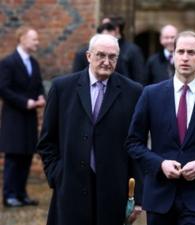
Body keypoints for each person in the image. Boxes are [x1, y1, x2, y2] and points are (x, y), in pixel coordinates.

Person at [126, 31, 195, 225]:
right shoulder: (151, 94)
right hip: (159, 196)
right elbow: (134, 143)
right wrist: (160, 164)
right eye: (181, 52)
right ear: (173, 54)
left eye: (192, 52)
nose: (185, 57)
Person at [37, 34, 143, 225]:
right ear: (88, 56)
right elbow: (47, 141)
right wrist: (57, 175)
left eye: (112, 57)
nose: (106, 61)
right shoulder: (63, 88)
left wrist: (135, 197)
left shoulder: (133, 91)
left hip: (113, 190)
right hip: (70, 187)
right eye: (100, 55)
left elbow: (137, 145)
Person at [0, 26, 45, 207]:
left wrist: (41, 96)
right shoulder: (8, 62)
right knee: (13, 158)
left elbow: (39, 85)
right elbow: (3, 89)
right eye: (34, 39)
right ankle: (9, 195)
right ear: (22, 39)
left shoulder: (34, 63)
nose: (37, 42)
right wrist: (25, 102)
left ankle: (21, 194)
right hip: (14, 117)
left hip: (29, 118)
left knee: (26, 156)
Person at [102, 16, 145, 84]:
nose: (103, 31)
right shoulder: (97, 48)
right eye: (102, 28)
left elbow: (139, 79)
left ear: (116, 29)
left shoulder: (132, 50)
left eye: (107, 28)